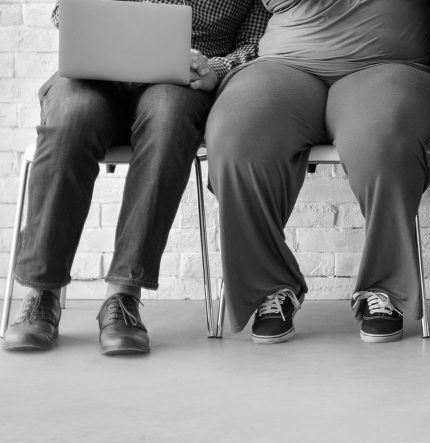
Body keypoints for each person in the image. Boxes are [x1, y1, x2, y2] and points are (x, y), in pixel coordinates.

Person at [3, 1, 269, 355]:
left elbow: (257, 44)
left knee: (167, 121)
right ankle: (41, 293)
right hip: (98, 70)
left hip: (179, 81)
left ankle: (123, 297)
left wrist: (215, 68)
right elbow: (64, 12)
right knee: (70, 121)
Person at [205, 0, 430, 344]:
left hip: (390, 66)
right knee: (237, 137)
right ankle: (270, 286)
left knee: (381, 138)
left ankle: (385, 289)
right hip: (284, 64)